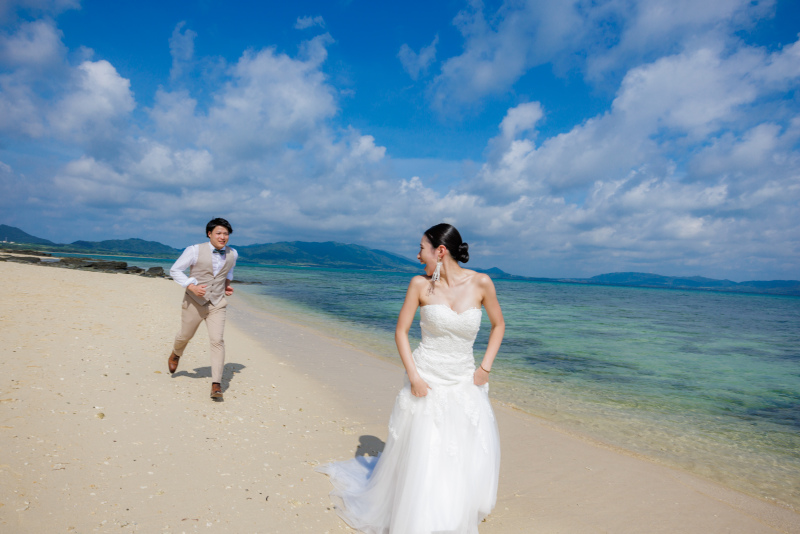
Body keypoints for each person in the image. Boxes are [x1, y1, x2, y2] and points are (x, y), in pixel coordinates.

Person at [318, 223, 504, 533]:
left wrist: (485, 367)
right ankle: (424, 512)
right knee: (428, 447)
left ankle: (455, 504)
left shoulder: (482, 283)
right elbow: (400, 332)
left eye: (422, 248)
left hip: (464, 377)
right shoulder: (420, 285)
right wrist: (414, 376)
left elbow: (499, 325)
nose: (417, 255)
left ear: (440, 251)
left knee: (462, 443)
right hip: (426, 374)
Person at [167, 217, 238, 400]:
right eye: (219, 233)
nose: (223, 237)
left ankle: (216, 384)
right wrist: (191, 286)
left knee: (217, 340)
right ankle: (176, 353)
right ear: (210, 234)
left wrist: (226, 285)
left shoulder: (233, 254)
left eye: (226, 234)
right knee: (185, 335)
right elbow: (175, 270)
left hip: (217, 303)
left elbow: (228, 272)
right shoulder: (194, 250)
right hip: (194, 303)